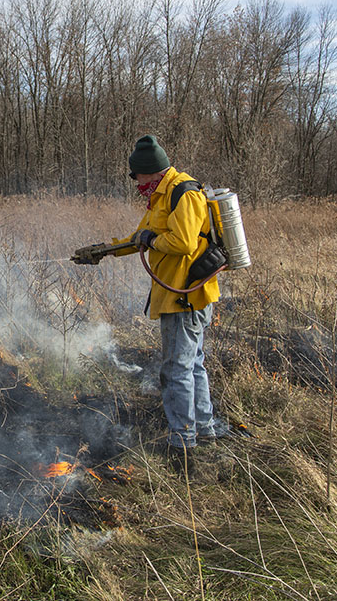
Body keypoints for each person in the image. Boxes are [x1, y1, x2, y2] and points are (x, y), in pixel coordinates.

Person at [82, 134, 222, 473]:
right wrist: (104, 251)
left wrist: (151, 239)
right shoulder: (161, 197)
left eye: (136, 176)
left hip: (184, 298)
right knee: (193, 365)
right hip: (181, 295)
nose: (134, 182)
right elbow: (141, 237)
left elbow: (183, 241)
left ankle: (182, 446)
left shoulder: (183, 193)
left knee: (176, 371)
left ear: (150, 172)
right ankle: (205, 433)